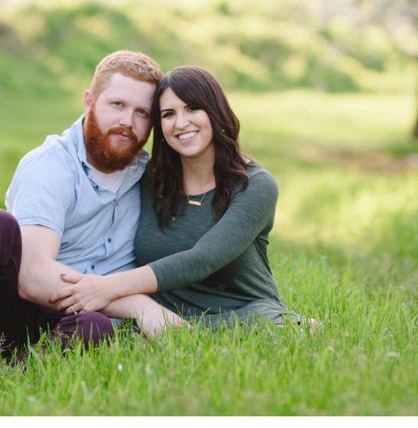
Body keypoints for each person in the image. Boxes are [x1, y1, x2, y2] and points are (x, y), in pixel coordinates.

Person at [0, 50, 183, 384]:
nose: (128, 121)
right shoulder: (51, 165)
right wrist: (137, 305)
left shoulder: (151, 178)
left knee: (94, 326)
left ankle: (2, 383)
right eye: (117, 105)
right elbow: (33, 278)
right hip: (10, 322)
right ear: (89, 101)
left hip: (79, 328)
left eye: (142, 112)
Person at [50, 65, 300, 327]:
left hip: (244, 314)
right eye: (168, 114)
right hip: (161, 319)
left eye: (192, 108)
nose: (181, 123)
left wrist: (105, 287)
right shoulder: (148, 180)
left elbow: (203, 259)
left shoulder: (256, 186)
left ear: (215, 111)